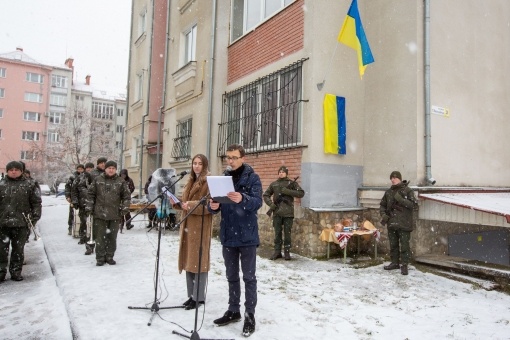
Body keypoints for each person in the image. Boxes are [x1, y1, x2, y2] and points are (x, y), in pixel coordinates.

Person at [208, 144, 262, 337]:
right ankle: (233, 310)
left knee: (248, 277)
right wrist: (213, 206)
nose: (230, 161)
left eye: (233, 157)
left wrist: (242, 198)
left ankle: (249, 314)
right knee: (231, 275)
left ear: (243, 158)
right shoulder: (222, 179)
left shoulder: (252, 178)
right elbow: (214, 206)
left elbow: (257, 202)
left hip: (247, 236)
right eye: (228, 157)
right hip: (228, 235)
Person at [173, 154, 212, 310]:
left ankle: (199, 297)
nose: (196, 166)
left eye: (200, 163)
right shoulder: (190, 180)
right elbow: (185, 203)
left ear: (205, 165)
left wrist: (188, 205)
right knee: (189, 260)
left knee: (199, 261)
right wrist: (177, 203)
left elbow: (209, 205)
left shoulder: (209, 181)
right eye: (194, 163)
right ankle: (191, 296)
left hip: (200, 227)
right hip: (188, 227)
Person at [0, 161, 42, 282]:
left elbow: (36, 202)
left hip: (21, 223)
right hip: (3, 223)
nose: (13, 172)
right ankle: (1, 271)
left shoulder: (30, 184)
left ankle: (16, 271)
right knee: (1, 249)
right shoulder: (1, 184)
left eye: (16, 170)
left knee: (18, 249)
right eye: (11, 170)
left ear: (21, 171)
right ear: (7, 171)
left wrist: (34, 217)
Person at [86, 160, 131, 266]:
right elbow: (91, 194)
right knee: (100, 237)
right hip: (99, 214)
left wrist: (124, 208)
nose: (111, 170)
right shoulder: (97, 180)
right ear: (105, 169)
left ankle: (110, 256)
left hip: (114, 214)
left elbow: (126, 196)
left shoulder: (120, 181)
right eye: (109, 168)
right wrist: (89, 207)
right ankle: (100, 258)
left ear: (116, 170)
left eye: (113, 168)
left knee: (112, 237)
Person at [379, 171, 418, 276]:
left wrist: (401, 200)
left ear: (400, 179)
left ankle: (404, 264)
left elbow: (414, 205)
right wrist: (383, 215)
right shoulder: (388, 192)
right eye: (391, 178)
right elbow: (382, 205)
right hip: (392, 223)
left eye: (395, 178)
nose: (393, 180)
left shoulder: (408, 191)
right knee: (393, 245)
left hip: (404, 223)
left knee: (405, 245)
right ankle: (395, 262)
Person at [263, 166, 304, 261]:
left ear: (286, 173)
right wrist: (271, 204)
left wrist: (288, 191)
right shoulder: (274, 184)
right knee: (277, 233)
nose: (281, 173)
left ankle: (287, 252)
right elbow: (266, 195)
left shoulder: (291, 183)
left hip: (288, 213)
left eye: (283, 172)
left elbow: (301, 193)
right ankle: (277, 252)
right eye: (279, 172)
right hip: (277, 212)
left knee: (287, 233)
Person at [82, 158, 106, 255]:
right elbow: (82, 185)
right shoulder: (91, 173)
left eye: (104, 163)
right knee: (90, 225)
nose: (103, 165)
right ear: (98, 164)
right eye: (101, 163)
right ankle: (89, 246)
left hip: (105, 204)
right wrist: (89, 195)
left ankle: (103, 247)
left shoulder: (109, 173)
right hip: (93, 203)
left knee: (103, 228)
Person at [72, 162, 94, 245]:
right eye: (88, 168)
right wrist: (75, 201)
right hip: (82, 203)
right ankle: (83, 237)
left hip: (93, 204)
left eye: (91, 168)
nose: (89, 169)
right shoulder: (80, 177)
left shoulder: (95, 177)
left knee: (92, 222)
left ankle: (91, 236)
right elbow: (74, 190)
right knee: (83, 221)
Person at [65, 164, 84, 236]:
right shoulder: (72, 177)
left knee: (81, 214)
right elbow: (67, 187)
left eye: (81, 169)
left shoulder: (85, 176)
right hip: (73, 198)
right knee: (72, 213)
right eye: (79, 169)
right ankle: (70, 227)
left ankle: (80, 229)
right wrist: (68, 196)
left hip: (82, 198)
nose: (80, 170)